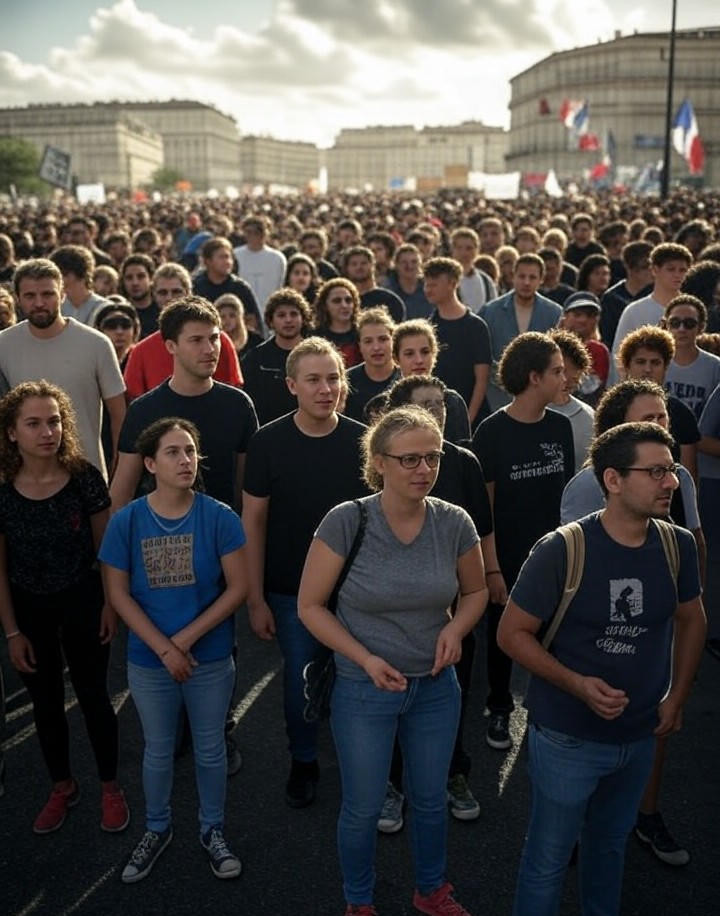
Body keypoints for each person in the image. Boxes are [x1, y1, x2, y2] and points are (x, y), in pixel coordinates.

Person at [498, 421, 705, 916]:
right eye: (655, 472)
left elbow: (693, 619)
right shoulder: (562, 549)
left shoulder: (677, 545)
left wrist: (676, 697)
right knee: (548, 858)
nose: (671, 482)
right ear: (612, 480)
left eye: (672, 470)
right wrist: (576, 685)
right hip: (568, 737)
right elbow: (510, 634)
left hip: (637, 737)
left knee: (609, 850)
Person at [298, 405, 487, 916]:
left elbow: (475, 592)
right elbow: (310, 606)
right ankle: (359, 901)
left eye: (433, 457)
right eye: (409, 460)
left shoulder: (454, 522)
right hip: (364, 686)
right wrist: (363, 656)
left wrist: (455, 627)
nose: (424, 469)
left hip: (435, 686)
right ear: (379, 462)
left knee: (430, 802)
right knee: (361, 808)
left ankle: (431, 891)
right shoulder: (347, 520)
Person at [100, 418, 247, 883]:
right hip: (148, 661)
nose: (185, 460)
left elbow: (238, 588)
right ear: (149, 463)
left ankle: (212, 830)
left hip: (209, 658)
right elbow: (119, 595)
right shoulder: (127, 520)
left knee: (209, 750)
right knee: (158, 751)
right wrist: (165, 649)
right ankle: (157, 828)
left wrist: (182, 642)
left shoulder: (219, 515)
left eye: (190, 451)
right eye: (172, 452)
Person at [242, 336, 367, 809]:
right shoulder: (268, 442)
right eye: (313, 379)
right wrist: (254, 598)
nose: (326, 388)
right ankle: (304, 759)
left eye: (334, 377)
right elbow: (252, 520)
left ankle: (364, 763)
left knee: (357, 679)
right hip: (289, 590)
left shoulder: (362, 440)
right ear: (292, 385)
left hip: (355, 589)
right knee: (302, 678)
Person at [0, 380, 128, 835]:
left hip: (84, 601)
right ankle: (62, 786)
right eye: (33, 423)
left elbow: (106, 549)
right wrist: (12, 632)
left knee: (94, 697)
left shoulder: (83, 476)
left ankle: (110, 787)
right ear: (12, 432)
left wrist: (111, 605)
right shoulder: (1, 487)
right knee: (47, 703)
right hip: (29, 609)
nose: (47, 431)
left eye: (54, 421)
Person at [381, 374, 494, 826]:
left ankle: (452, 773)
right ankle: (392, 782)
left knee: (453, 696)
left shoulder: (464, 462)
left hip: (455, 611)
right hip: (394, 614)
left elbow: (484, 532)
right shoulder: (387, 468)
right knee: (391, 699)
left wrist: (493, 578)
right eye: (424, 404)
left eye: (442, 404)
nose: (437, 411)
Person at [473, 332, 574, 751]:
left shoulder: (561, 426)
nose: (565, 378)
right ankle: (499, 706)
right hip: (507, 556)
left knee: (554, 634)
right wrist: (492, 568)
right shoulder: (492, 431)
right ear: (534, 377)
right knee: (502, 633)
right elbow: (485, 510)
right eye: (556, 371)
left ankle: (546, 712)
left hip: (553, 554)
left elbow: (566, 497)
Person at [110, 297, 257, 515]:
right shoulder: (144, 410)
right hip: (159, 538)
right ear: (171, 346)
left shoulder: (238, 405)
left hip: (222, 538)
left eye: (214, 338)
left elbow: (248, 490)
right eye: (196, 340)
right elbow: (121, 494)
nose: (209, 349)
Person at [0, 259, 126, 480]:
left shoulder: (96, 344)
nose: (39, 303)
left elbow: (119, 417)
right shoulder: (3, 345)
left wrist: (119, 478)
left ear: (62, 295)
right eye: (30, 296)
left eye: (48, 294)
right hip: (21, 484)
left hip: (87, 480)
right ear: (18, 299)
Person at [123, 273, 242, 402]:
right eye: (163, 292)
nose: (170, 298)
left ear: (188, 292)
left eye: (176, 291)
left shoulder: (221, 341)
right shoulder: (141, 350)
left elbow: (234, 386)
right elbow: (132, 397)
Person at [617, 325, 701, 481]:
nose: (648, 369)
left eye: (655, 363)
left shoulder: (681, 413)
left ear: (666, 366)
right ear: (627, 366)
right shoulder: (613, 408)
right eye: (641, 362)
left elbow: (688, 477)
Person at [481, 253, 562, 411]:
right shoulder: (490, 311)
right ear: (513, 276)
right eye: (522, 276)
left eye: (532, 277)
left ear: (541, 279)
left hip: (541, 398)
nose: (526, 282)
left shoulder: (554, 313)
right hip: (498, 396)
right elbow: (483, 356)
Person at [424, 257, 491, 428]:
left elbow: (481, 380)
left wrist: (468, 420)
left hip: (472, 418)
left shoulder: (476, 326)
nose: (428, 290)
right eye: (426, 284)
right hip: (436, 418)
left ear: (452, 284)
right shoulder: (428, 327)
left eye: (434, 284)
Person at [611, 243, 693, 373]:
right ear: (655, 270)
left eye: (682, 270)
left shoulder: (693, 311)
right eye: (671, 269)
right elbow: (619, 359)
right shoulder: (634, 312)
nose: (677, 275)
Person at [392, 319, 471, 445]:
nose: (419, 360)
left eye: (425, 352)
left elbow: (461, 454)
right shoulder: (382, 404)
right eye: (409, 354)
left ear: (434, 354)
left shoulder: (452, 401)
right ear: (396, 359)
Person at [241, 287, 312, 425]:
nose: (288, 320)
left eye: (294, 314)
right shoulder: (256, 359)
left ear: (303, 318)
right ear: (271, 321)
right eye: (281, 315)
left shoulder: (316, 354)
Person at [661, 293, 720, 420]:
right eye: (675, 322)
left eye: (689, 323)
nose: (681, 329)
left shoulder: (715, 366)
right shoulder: (656, 362)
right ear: (666, 325)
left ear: (701, 327)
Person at [547, 329, 595, 471]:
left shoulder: (588, 416)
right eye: (559, 371)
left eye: (573, 375)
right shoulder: (525, 412)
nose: (564, 380)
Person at [192, 237, 262, 330]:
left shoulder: (240, 287)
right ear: (208, 261)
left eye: (229, 257)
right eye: (222, 257)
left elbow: (253, 320)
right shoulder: (196, 287)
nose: (228, 262)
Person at [344, 308, 399, 423]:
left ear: (393, 341)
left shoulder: (406, 378)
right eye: (368, 341)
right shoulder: (346, 381)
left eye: (382, 339)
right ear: (360, 346)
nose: (376, 347)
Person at [600, 241, 654, 347]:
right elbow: (608, 338)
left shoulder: (658, 295)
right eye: (646, 267)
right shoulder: (612, 298)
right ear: (630, 268)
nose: (652, 271)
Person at [560, 293, 609, 406]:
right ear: (565, 317)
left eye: (589, 315)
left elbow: (591, 390)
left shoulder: (599, 351)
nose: (583, 320)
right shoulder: (550, 348)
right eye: (577, 314)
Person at [233, 216, 286, 313]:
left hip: (270, 311)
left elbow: (279, 287)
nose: (253, 236)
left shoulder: (277, 258)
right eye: (249, 232)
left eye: (257, 232)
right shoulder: (236, 255)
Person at [343, 246, 406, 323]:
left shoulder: (390, 300)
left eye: (364, 263)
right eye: (354, 264)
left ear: (373, 266)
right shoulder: (343, 302)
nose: (359, 267)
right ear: (347, 268)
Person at [50, 245, 108, 326]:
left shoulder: (104, 308)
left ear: (81, 274)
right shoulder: (54, 308)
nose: (59, 280)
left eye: (64, 274)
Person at [313, 278, 362, 368]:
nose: (344, 305)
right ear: (325, 306)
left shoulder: (363, 334)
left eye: (348, 300)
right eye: (337, 301)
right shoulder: (315, 338)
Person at [450, 228, 497, 313]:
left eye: (469, 248)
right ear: (452, 250)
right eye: (459, 248)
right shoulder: (445, 279)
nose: (464, 253)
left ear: (477, 250)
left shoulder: (486, 281)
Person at [383, 243, 433, 320]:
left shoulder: (430, 288)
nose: (409, 266)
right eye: (404, 262)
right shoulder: (387, 290)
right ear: (396, 264)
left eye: (414, 262)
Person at [119, 254, 158, 339]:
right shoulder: (119, 313)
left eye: (141, 276)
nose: (135, 283)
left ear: (151, 279)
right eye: (129, 278)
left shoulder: (161, 311)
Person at [216, 293, 263, 360]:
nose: (227, 320)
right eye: (222, 316)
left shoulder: (254, 340)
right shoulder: (212, 340)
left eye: (232, 315)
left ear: (239, 317)